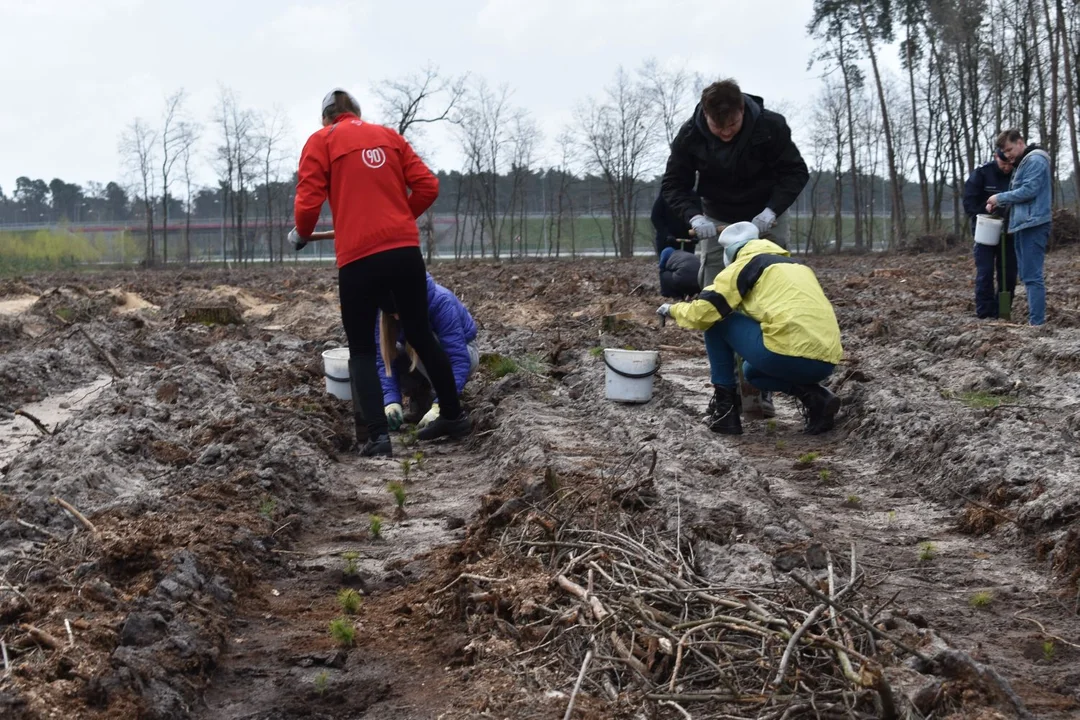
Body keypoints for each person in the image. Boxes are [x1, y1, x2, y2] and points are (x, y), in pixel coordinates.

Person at [292, 88, 471, 457]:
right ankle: (452, 414)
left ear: (326, 118)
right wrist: (400, 217)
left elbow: (308, 204)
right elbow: (428, 186)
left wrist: (303, 232)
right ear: (357, 112)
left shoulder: (321, 141)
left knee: (360, 347)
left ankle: (377, 437)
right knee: (420, 332)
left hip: (358, 259)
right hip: (405, 252)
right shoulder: (389, 137)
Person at [661, 78, 809, 419]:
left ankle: (757, 387)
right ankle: (725, 391)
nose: (725, 132)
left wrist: (772, 211)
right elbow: (674, 184)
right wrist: (694, 216)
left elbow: (795, 172)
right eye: (717, 126)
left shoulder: (771, 126)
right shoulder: (690, 136)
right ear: (706, 116)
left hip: (766, 214)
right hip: (717, 218)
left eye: (731, 125)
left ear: (742, 109)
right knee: (716, 300)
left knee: (767, 297)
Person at [656, 222, 842, 436]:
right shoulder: (796, 267)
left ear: (730, 254)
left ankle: (725, 413)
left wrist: (672, 309)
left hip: (785, 354)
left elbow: (704, 313)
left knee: (717, 320)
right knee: (752, 373)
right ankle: (816, 397)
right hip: (826, 361)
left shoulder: (744, 265)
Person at [377, 273, 479, 430]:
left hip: (464, 353)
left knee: (422, 341)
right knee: (396, 350)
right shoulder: (384, 309)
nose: (396, 318)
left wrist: (443, 404)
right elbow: (382, 359)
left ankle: (445, 399)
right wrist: (391, 401)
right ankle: (422, 401)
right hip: (419, 356)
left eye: (399, 312)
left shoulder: (440, 302)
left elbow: (459, 358)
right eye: (392, 314)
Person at [987, 129, 1052, 326]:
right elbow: (1019, 192)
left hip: (1034, 224)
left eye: (1009, 149)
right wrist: (999, 204)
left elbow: (1029, 190)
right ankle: (1035, 322)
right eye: (1004, 153)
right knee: (1027, 275)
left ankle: (1037, 324)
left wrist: (1000, 197)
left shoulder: (1035, 161)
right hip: (1023, 225)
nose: (1008, 156)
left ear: (1020, 142)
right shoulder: (1023, 163)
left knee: (1032, 276)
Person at [963, 150, 1015, 319]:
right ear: (996, 157)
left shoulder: (1017, 174)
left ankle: (1003, 310)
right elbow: (969, 203)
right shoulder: (982, 173)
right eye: (1003, 164)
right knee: (985, 271)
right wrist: (984, 209)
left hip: (1009, 231)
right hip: (985, 229)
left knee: (1008, 273)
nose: (1007, 168)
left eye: (1010, 164)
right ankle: (985, 312)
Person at [650, 192, 698, 257]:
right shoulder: (665, 194)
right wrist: (666, 234)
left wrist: (695, 235)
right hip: (667, 239)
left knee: (688, 264)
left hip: (688, 239)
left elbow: (698, 216)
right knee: (668, 263)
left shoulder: (693, 196)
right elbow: (655, 217)